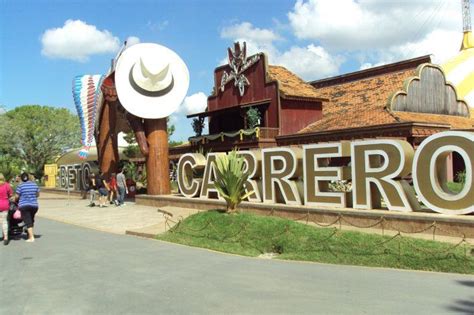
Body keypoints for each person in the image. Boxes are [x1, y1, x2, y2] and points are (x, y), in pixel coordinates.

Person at [16, 172, 40, 243]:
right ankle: (30, 235)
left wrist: (15, 199)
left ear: (22, 178)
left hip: (24, 205)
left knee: (28, 220)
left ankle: (31, 237)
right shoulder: (35, 185)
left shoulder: (20, 186)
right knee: (31, 219)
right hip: (34, 206)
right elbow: (37, 195)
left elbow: (17, 196)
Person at [0, 173, 13, 245]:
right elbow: (11, 195)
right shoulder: (6, 185)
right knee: (4, 221)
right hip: (4, 205)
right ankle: (6, 238)